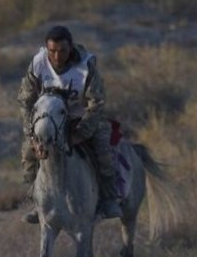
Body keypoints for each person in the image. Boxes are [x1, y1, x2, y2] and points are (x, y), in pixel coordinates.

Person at [17, 25, 122, 223]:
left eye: (62, 51)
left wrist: (81, 133)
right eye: (52, 51)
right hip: (48, 119)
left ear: (71, 48)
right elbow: (26, 100)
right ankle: (36, 201)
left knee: (103, 149)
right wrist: (32, 135)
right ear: (47, 49)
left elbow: (97, 102)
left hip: (80, 119)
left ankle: (108, 198)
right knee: (28, 153)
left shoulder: (85, 66)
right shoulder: (38, 64)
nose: (57, 56)